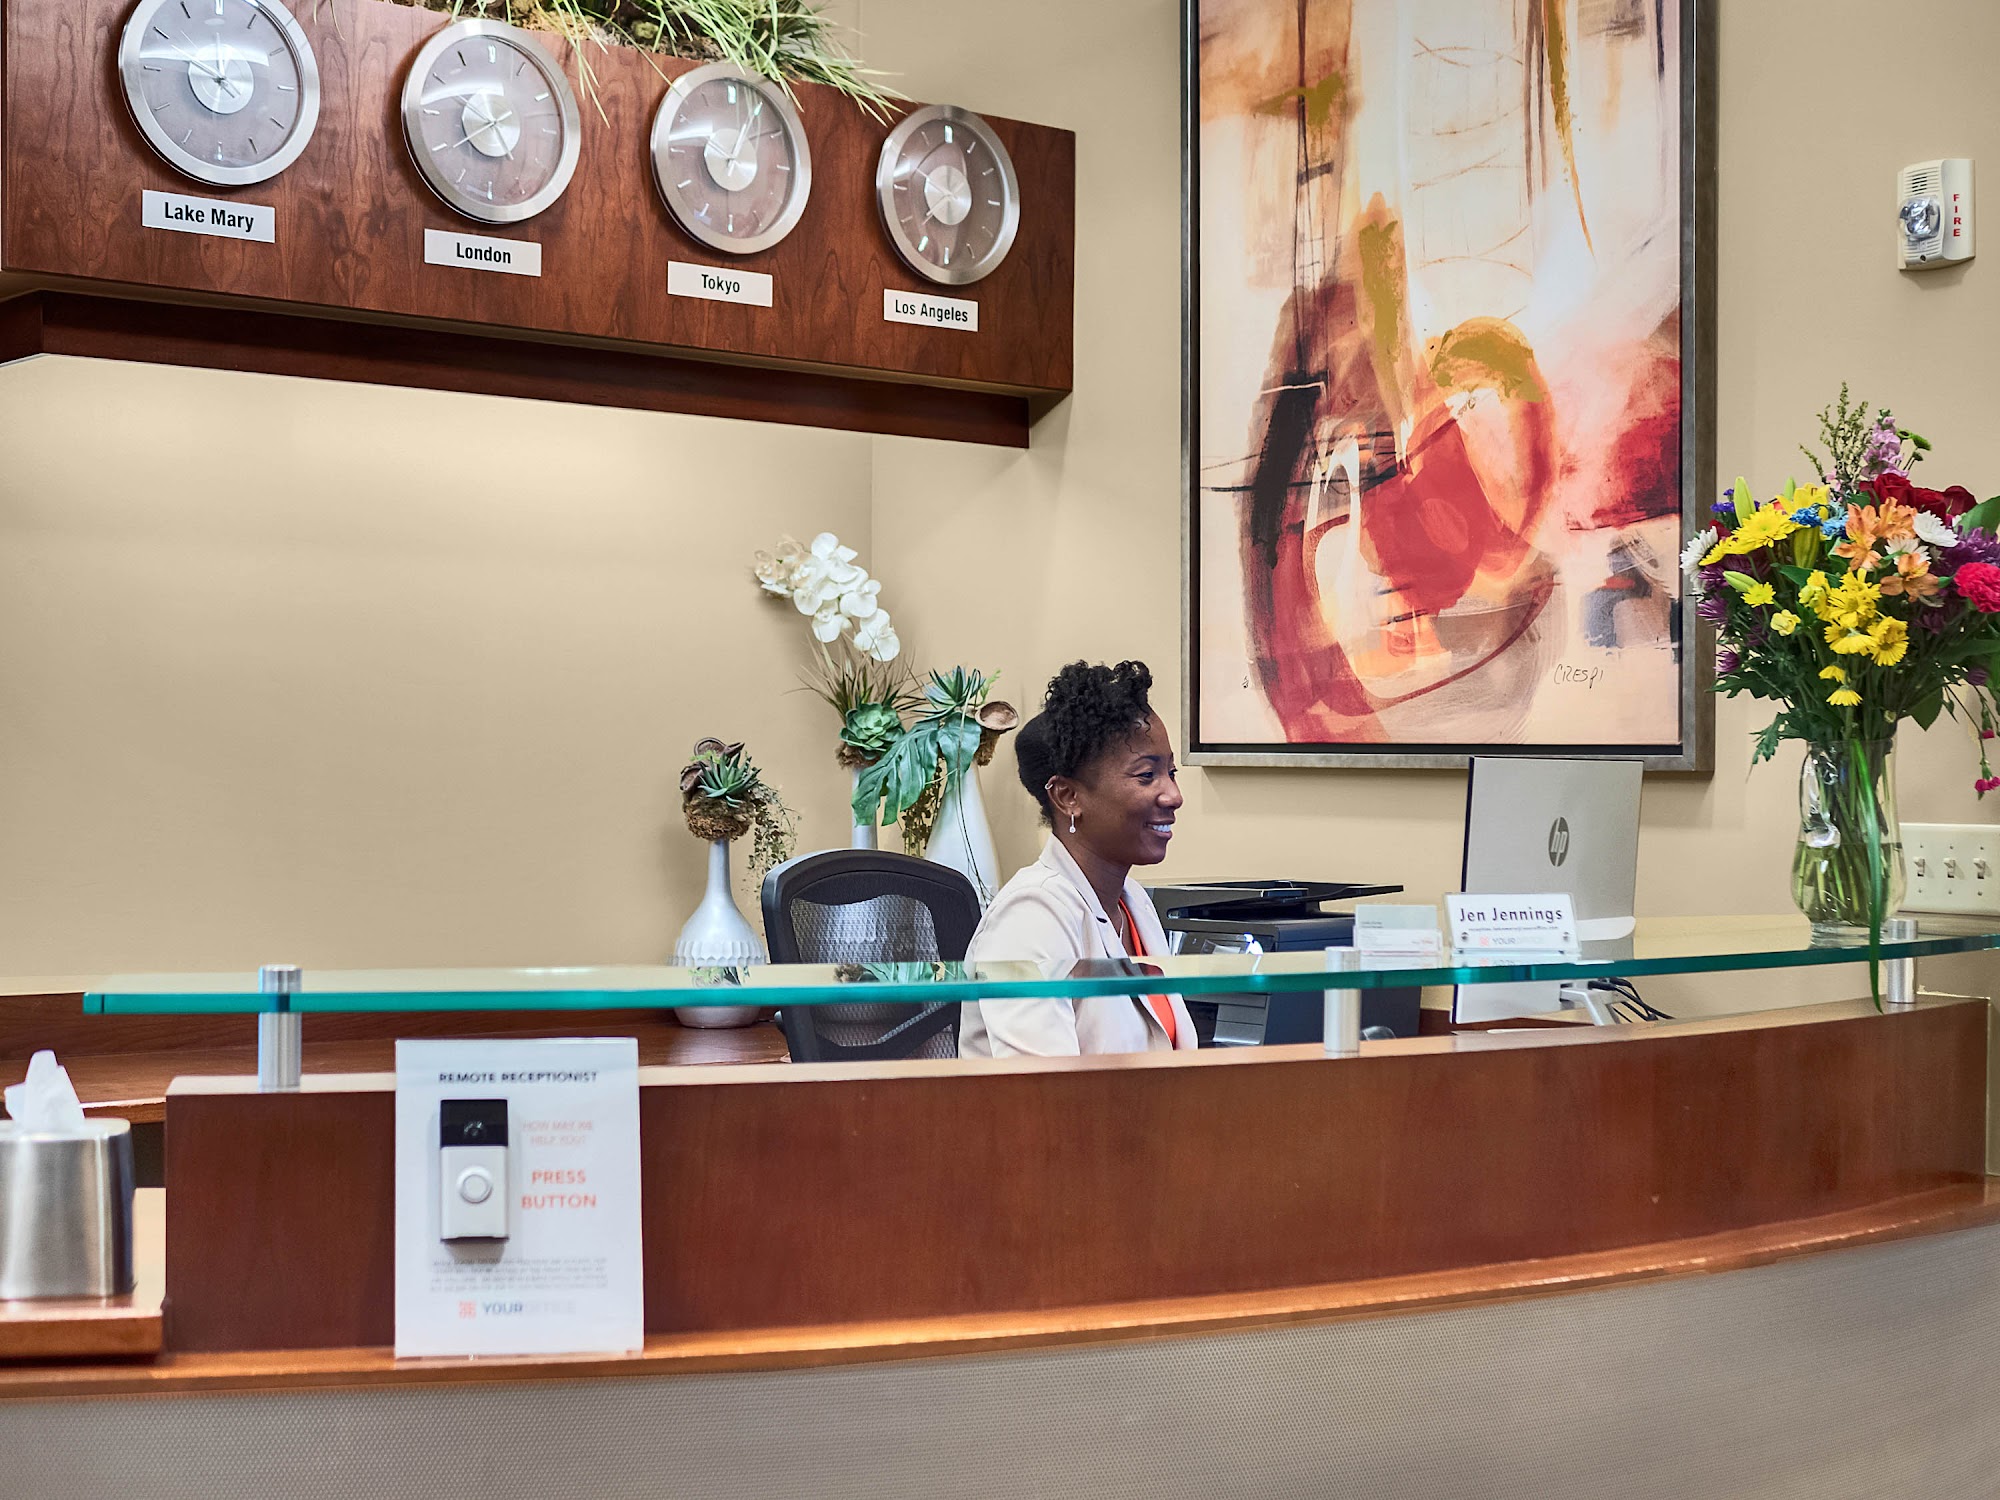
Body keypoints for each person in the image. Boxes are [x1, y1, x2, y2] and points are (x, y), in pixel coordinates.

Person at [960, 660, 1198, 1057]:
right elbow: (1045, 1089)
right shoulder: (1030, 916)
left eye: (1171, 773)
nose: (1174, 795)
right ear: (1068, 797)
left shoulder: (1134, 902)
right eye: (1146, 775)